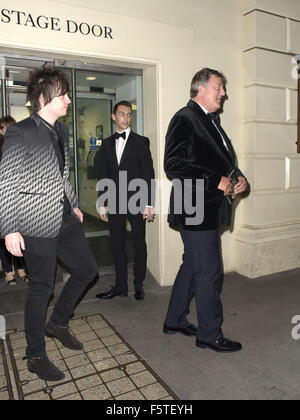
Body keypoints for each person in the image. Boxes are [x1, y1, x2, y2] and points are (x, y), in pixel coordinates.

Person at [0, 68, 98, 381]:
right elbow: (6, 182)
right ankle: (35, 354)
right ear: (44, 98)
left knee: (87, 270)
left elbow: (62, 174)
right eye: (63, 94)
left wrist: (74, 203)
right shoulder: (22, 131)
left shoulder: (63, 131)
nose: (69, 99)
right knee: (41, 288)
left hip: (65, 216)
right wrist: (9, 228)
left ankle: (57, 322)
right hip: (34, 221)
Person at [163, 68, 248, 353]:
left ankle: (175, 320)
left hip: (204, 207)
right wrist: (216, 181)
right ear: (201, 88)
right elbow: (173, 164)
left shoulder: (210, 121)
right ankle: (209, 334)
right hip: (194, 207)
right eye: (219, 87)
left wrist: (239, 176)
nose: (223, 93)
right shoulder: (185, 118)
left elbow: (219, 162)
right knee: (209, 270)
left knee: (193, 265)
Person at [96, 101, 155, 301]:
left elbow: (149, 174)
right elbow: (103, 174)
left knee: (139, 243)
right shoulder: (106, 143)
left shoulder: (142, 142)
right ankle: (120, 286)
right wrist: (101, 202)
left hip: (137, 200)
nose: (126, 118)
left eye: (129, 115)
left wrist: (149, 204)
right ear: (114, 116)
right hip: (114, 201)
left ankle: (138, 284)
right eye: (122, 114)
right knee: (116, 244)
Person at [0, 116, 29, 286]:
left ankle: (20, 268)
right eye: (4, 128)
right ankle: (8, 272)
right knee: (3, 239)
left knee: (19, 236)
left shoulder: (20, 147)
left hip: (18, 200)